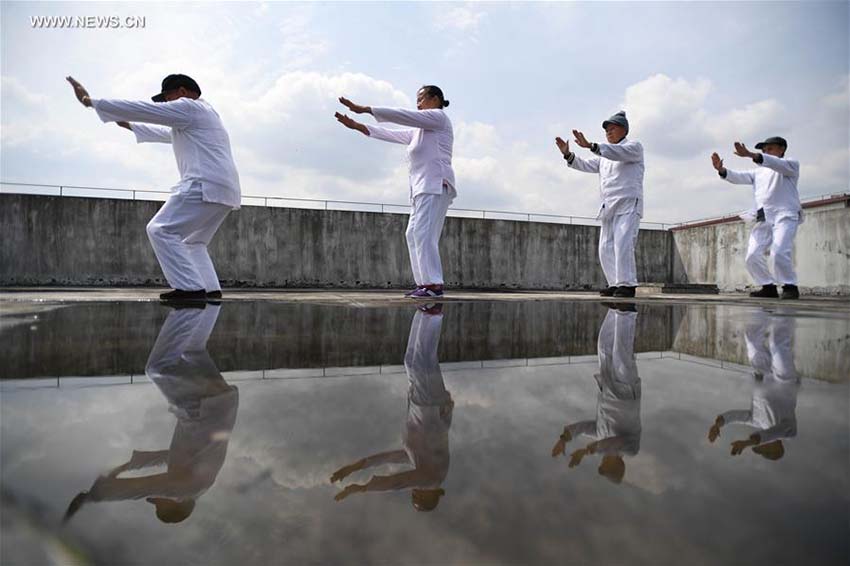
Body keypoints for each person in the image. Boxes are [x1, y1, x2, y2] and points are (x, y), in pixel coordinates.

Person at [66, 74, 241, 302]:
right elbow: (161, 132)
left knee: (160, 230)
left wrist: (93, 102)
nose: (166, 104)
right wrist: (122, 121)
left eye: (167, 98)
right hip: (225, 191)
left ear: (181, 91)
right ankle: (210, 289)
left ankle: (190, 288)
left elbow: (147, 110)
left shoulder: (189, 107)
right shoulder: (205, 117)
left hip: (203, 184)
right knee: (194, 243)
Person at [64, 303, 239, 524]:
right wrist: (95, 496)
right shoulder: (185, 491)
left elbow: (167, 456)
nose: (157, 497)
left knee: (193, 350)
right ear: (173, 503)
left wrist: (131, 464)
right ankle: (185, 309)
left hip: (223, 404)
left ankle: (204, 305)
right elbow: (146, 487)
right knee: (157, 368)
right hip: (201, 411)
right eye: (160, 501)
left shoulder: (199, 479)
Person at [334, 86, 456, 298]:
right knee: (413, 234)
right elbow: (389, 133)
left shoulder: (438, 118)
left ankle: (434, 284)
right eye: (416, 100)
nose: (417, 104)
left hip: (435, 184)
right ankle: (424, 284)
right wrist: (357, 126)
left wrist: (366, 109)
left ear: (435, 99)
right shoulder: (419, 131)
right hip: (421, 189)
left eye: (421, 99)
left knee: (425, 234)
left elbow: (403, 116)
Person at [331, 304, 453, 511]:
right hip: (429, 407)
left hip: (426, 405)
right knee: (423, 360)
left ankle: (426, 314)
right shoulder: (431, 479)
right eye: (415, 491)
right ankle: (432, 314)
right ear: (421, 493)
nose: (412, 488)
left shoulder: (423, 464)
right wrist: (361, 489)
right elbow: (398, 483)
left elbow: (389, 458)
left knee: (413, 360)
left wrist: (355, 467)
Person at [555, 111, 645, 298]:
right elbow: (586, 164)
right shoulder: (604, 155)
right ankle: (615, 283)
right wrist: (568, 155)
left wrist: (592, 145)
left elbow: (618, 153)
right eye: (606, 131)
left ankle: (627, 284)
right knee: (605, 247)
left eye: (612, 129)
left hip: (628, 203)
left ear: (624, 129)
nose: (609, 133)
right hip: (608, 206)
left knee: (623, 244)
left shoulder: (633, 147)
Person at [551, 303, 641, 484]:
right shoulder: (630, 449)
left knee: (603, 346)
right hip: (624, 393)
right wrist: (587, 451)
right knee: (620, 350)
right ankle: (626, 308)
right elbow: (614, 444)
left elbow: (583, 428)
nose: (602, 461)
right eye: (605, 465)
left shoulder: (600, 436)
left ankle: (615, 309)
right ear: (615, 465)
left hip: (608, 389)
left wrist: (564, 439)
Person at [711, 136, 802, 299]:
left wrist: (752, 155)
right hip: (764, 216)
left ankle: (790, 286)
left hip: (785, 214)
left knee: (779, 251)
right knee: (752, 255)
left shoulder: (790, 165)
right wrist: (722, 170)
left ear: (782, 149)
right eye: (764, 150)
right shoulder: (758, 172)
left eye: (770, 149)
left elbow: (775, 163)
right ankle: (768, 286)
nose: (766, 152)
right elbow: (738, 177)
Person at [708, 309, 799, 460]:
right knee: (777, 343)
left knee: (751, 338)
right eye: (764, 448)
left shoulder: (756, 421)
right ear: (776, 448)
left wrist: (718, 424)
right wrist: (748, 443)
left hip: (762, 373)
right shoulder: (789, 432)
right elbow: (771, 434)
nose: (761, 445)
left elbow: (735, 416)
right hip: (784, 381)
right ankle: (784, 309)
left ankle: (763, 307)